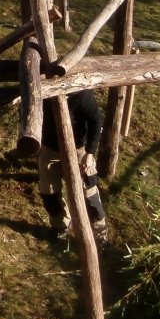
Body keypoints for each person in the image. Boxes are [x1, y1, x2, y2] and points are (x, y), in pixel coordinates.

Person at [38, 88, 108, 241]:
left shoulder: (82, 94)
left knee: (88, 192)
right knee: (49, 192)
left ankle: (99, 232)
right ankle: (59, 226)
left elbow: (96, 121)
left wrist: (89, 153)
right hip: (50, 148)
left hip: (79, 149)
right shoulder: (43, 89)